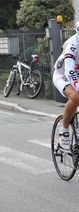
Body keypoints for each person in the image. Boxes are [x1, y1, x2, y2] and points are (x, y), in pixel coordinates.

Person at [54, 20, 79, 150]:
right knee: (75, 97)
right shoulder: (72, 45)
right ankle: (64, 131)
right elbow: (69, 71)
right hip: (62, 75)